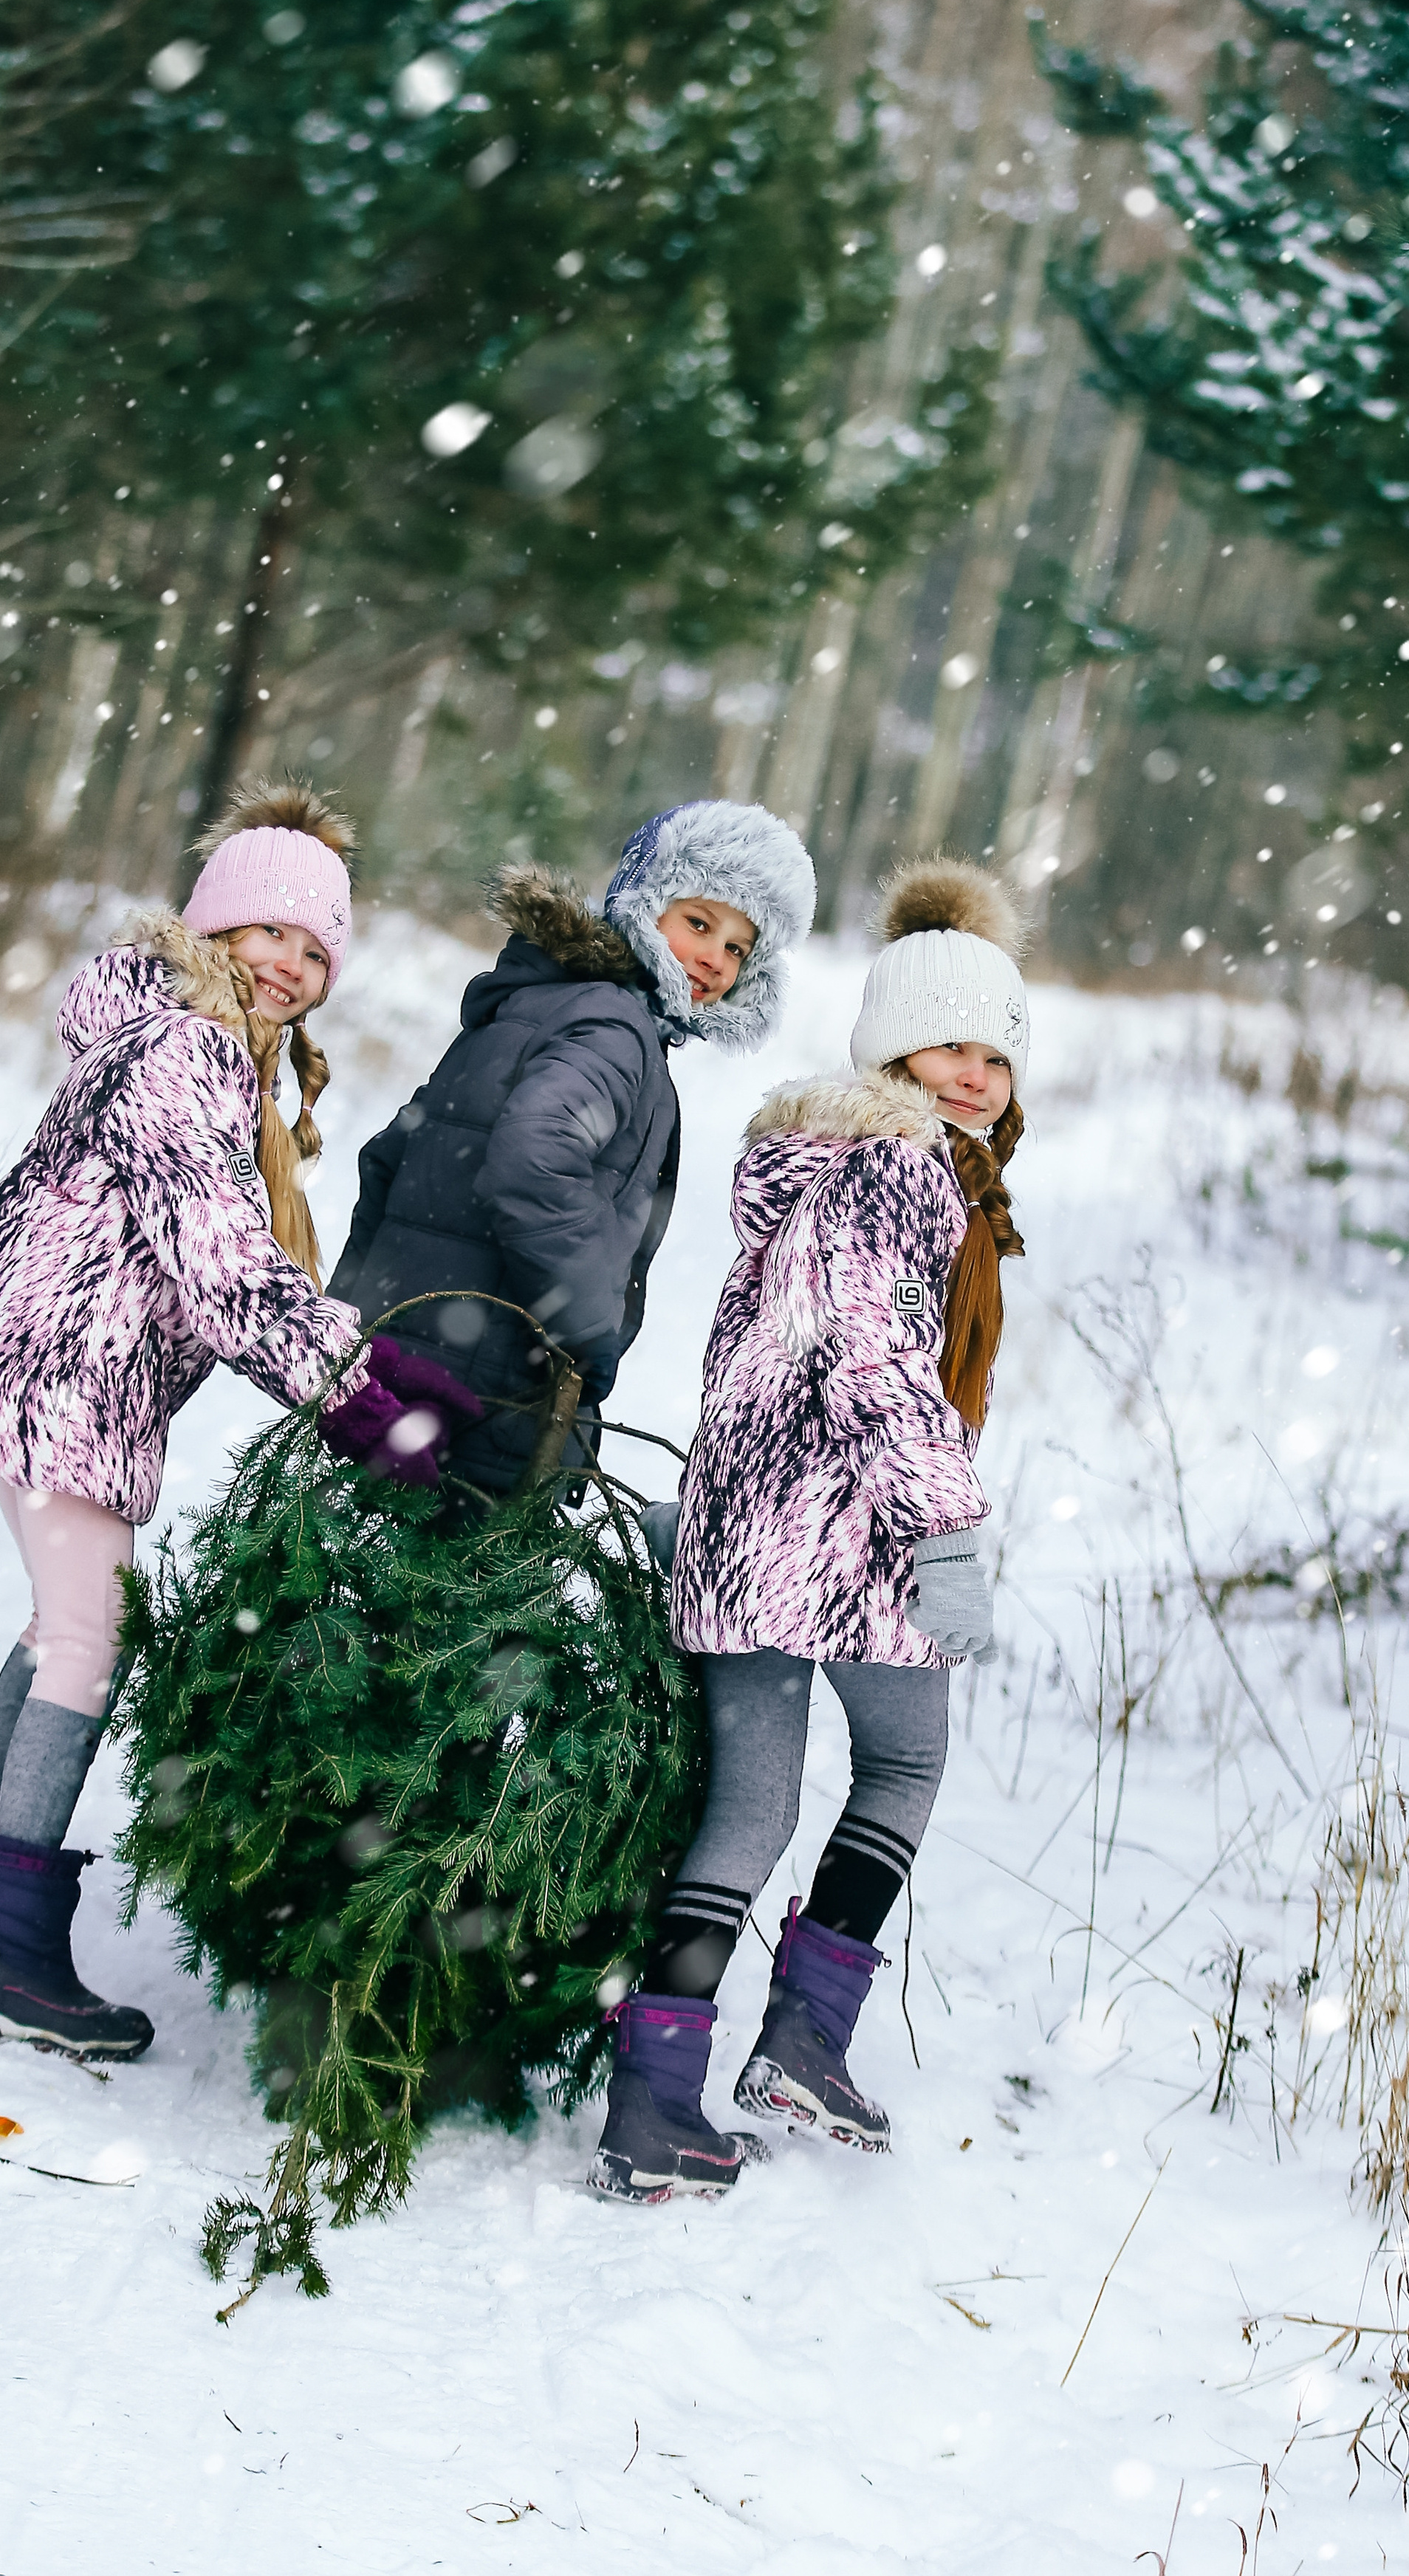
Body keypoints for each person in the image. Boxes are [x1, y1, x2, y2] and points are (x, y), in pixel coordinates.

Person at [0, 781, 477, 2058]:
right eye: (265, 933)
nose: (286, 964)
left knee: (61, 1623)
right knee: (87, 1643)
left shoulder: (182, 1037)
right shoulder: (184, 1048)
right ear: (211, 931)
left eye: (314, 948)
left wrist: (358, 1369)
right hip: (67, 1367)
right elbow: (221, 1262)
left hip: (56, 1358)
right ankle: (4, 1955)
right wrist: (360, 1397)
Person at [589, 857, 1029, 2204]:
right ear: (891, 1050)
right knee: (902, 1769)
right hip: (845, 1534)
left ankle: (658, 2096)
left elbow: (772, 1347)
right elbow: (870, 1356)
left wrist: (715, 1510)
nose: (969, 1073)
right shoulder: (897, 1167)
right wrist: (943, 1533)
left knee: (755, 1804)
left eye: (993, 1055)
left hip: (757, 1532)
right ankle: (801, 2046)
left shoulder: (825, 1161)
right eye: (942, 1044)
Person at [329, 801, 817, 1494]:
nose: (715, 957)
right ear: (643, 908)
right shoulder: (615, 1029)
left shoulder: (549, 999)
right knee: (463, 1592)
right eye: (699, 923)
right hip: (491, 1390)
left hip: (408, 1374)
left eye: (739, 947)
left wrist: (352, 1334)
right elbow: (534, 1157)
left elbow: (389, 1155)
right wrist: (587, 1332)